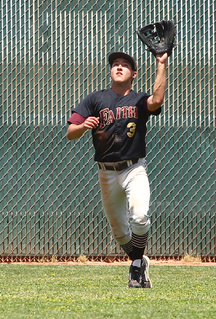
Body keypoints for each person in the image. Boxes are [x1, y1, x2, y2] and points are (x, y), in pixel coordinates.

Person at [66, 50, 168, 288]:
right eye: (115, 64)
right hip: (106, 172)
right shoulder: (95, 99)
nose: (118, 67)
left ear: (134, 74)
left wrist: (161, 64)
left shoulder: (139, 100)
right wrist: (82, 126)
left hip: (134, 169)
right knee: (120, 232)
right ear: (110, 71)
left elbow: (157, 101)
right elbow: (70, 133)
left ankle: (134, 268)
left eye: (124, 65)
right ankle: (139, 261)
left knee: (140, 216)